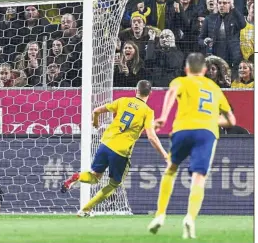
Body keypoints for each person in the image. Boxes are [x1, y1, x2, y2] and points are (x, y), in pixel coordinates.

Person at [148, 53, 236, 239]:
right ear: (204, 70)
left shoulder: (181, 81)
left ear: (187, 69)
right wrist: (211, 119)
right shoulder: (214, 87)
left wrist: (163, 116)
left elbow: (172, 93)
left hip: (183, 129)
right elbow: (231, 120)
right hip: (207, 132)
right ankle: (189, 218)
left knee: (171, 169)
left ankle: (160, 214)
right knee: (199, 177)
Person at [61, 80, 168, 217]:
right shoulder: (148, 112)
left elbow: (96, 110)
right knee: (113, 184)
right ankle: (85, 210)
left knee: (94, 176)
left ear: (136, 90)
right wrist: (165, 154)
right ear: (150, 93)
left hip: (106, 143)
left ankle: (77, 177)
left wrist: (95, 122)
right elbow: (152, 137)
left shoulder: (123, 101)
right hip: (121, 152)